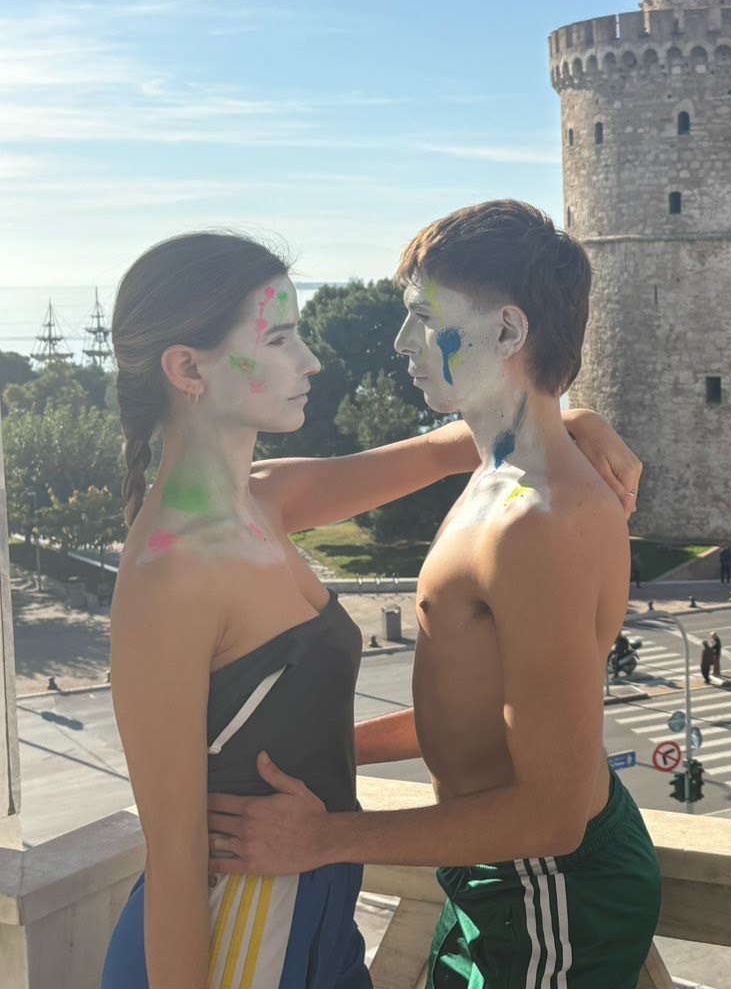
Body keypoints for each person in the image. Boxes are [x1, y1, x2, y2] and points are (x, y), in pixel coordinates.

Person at [99, 229, 640, 989]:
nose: (311, 361)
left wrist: (571, 418)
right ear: (188, 369)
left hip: (317, 904)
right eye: (280, 339)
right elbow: (176, 856)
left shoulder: (265, 499)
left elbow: (455, 443)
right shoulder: (170, 571)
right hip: (239, 930)